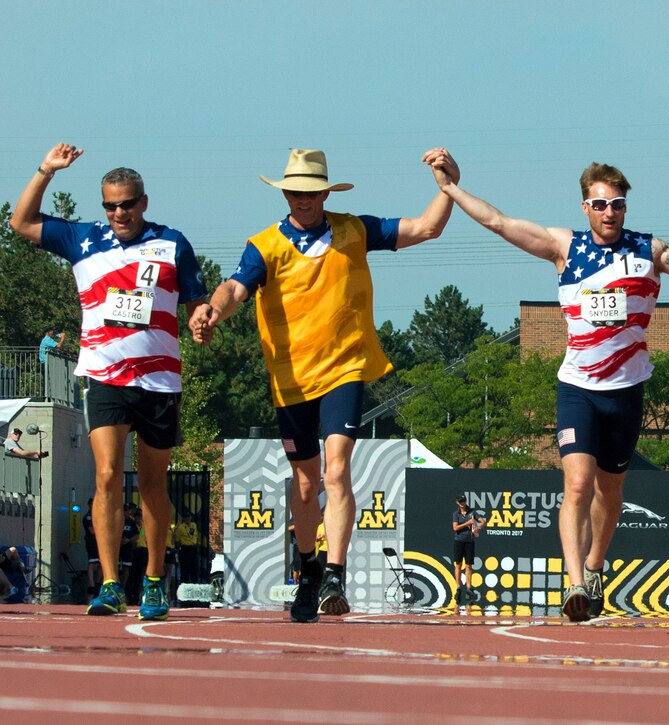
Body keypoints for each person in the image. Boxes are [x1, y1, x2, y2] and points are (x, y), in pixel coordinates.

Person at [429, 152, 669, 623]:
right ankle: (574, 582)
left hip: (627, 390)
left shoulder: (648, 251)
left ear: (625, 208)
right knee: (577, 485)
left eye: (617, 204)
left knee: (610, 493)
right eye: (600, 205)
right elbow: (498, 221)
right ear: (585, 207)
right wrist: (450, 189)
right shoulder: (564, 247)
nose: (609, 212)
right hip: (577, 388)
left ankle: (595, 567)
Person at [189, 147, 459, 623]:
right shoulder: (265, 246)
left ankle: (335, 572)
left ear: (325, 193)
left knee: (336, 471)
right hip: (291, 379)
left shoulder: (354, 230)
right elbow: (234, 289)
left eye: (312, 192)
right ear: (285, 193)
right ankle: (309, 567)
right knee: (305, 479)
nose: (303, 199)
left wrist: (448, 186)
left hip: (345, 368)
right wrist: (212, 310)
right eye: (295, 191)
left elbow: (427, 228)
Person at [10, 142, 208, 621]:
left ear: (143, 202)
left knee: (154, 486)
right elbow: (20, 222)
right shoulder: (82, 238)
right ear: (104, 207)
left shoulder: (171, 242)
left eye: (127, 204)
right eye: (111, 205)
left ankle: (156, 582)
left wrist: (203, 317)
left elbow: (197, 300)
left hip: (159, 380)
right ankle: (112, 585)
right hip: (105, 376)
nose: (119, 212)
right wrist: (46, 171)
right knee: (105, 477)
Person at [451, 494, 484, 605]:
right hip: (459, 541)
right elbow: (455, 528)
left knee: (469, 565)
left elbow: (483, 521)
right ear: (457, 503)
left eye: (463, 501)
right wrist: (467, 523)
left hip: (470, 541)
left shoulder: (472, 512)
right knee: (458, 564)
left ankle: (469, 588)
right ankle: (458, 588)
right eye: (460, 501)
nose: (462, 503)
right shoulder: (456, 514)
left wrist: (477, 528)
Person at [82, 497, 101, 602]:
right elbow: (92, 531)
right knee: (92, 563)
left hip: (100, 542)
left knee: (101, 563)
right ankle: (91, 586)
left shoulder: (99, 515)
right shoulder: (88, 517)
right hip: (92, 542)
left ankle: (98, 584)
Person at [176, 510, 200, 584]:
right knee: (185, 569)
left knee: (194, 569)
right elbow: (178, 539)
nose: (188, 519)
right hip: (185, 549)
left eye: (189, 517)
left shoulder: (194, 525)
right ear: (183, 519)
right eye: (186, 517)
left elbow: (196, 536)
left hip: (193, 548)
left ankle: (194, 584)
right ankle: (185, 585)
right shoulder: (181, 527)